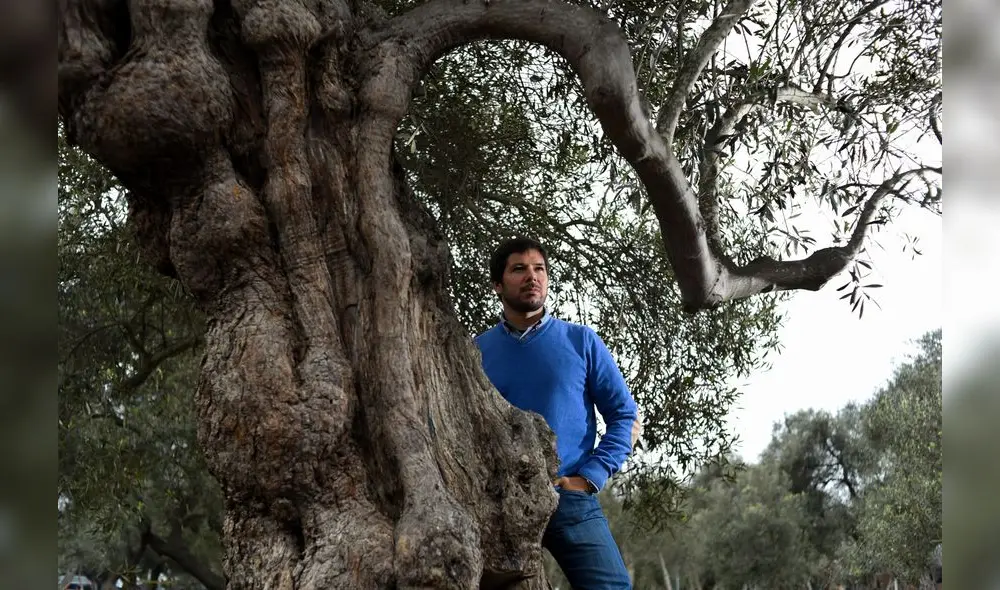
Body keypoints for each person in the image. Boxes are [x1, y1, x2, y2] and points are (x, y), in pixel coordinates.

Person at [474, 237, 639, 589]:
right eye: (519, 269)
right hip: (498, 506)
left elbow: (625, 415)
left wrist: (591, 476)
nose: (532, 277)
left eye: (540, 269)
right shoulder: (474, 353)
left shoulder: (581, 341)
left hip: (569, 498)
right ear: (498, 284)